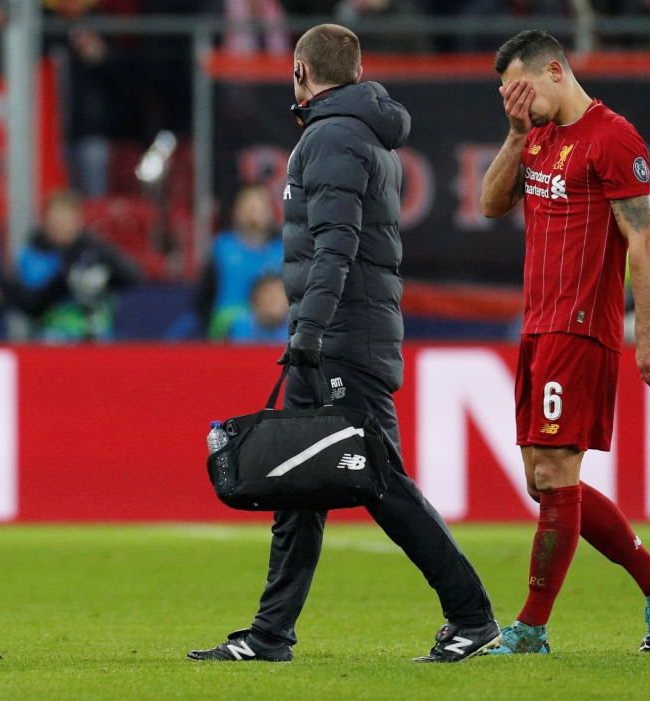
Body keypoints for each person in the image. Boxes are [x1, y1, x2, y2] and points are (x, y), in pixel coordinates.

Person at [188, 23, 499, 664]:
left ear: (302, 70)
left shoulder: (330, 136)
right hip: (340, 332)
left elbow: (335, 245)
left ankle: (472, 615)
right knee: (296, 488)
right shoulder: (357, 132)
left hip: (337, 338)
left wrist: (306, 331)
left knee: (378, 481)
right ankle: (271, 634)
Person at [478, 31, 650, 655]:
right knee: (543, 482)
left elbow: (643, 239)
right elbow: (491, 204)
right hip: (538, 326)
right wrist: (517, 134)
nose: (515, 101)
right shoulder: (538, 137)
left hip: (581, 328)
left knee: (553, 472)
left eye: (521, 89)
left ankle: (530, 629)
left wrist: (646, 329)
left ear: (555, 69)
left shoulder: (613, 137)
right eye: (505, 94)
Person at [5, 190, 140, 341]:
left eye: (67, 222)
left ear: (78, 221)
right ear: (45, 222)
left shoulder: (95, 248)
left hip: (97, 338)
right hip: (49, 339)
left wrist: (103, 274)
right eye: (56, 223)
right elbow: (29, 304)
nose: (61, 229)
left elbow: (132, 276)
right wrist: (65, 280)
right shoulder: (32, 255)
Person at [195, 185, 284, 339]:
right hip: (230, 332)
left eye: (259, 205)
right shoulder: (222, 248)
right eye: (248, 205)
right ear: (236, 211)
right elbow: (203, 298)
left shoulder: (283, 251)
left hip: (277, 329)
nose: (253, 210)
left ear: (270, 211)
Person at [227, 273, 290, 343]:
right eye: (268, 293)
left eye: (281, 292)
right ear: (255, 299)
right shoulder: (241, 327)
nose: (275, 299)